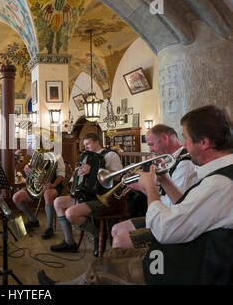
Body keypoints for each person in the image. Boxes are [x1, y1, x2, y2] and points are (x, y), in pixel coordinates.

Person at [38, 105, 233, 285]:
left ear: (205, 142)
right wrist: (163, 180)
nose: (185, 146)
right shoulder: (217, 178)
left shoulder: (219, 184)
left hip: (184, 268)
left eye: (187, 139)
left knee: (100, 266)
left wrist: (150, 188)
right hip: (182, 253)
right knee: (110, 257)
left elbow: (164, 230)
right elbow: (183, 205)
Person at [111, 124, 197, 249]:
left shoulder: (184, 164)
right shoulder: (167, 160)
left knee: (119, 241)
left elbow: (174, 205)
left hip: (173, 222)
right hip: (164, 216)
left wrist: (144, 188)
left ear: (165, 139)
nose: (150, 150)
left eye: (151, 144)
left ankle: (139, 263)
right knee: (116, 230)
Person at [50, 133, 123, 254]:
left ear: (97, 142)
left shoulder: (110, 155)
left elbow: (117, 176)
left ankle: (97, 235)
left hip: (103, 199)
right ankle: (69, 242)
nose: (86, 147)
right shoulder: (86, 158)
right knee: (58, 202)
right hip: (86, 196)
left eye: (88, 144)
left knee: (71, 213)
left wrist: (94, 170)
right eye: (84, 145)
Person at [12, 151, 65, 239]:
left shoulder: (57, 155)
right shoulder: (37, 154)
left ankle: (49, 227)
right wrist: (27, 169)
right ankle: (33, 220)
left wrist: (53, 185)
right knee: (16, 197)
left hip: (52, 185)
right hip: (36, 185)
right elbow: (30, 171)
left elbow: (61, 175)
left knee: (48, 195)